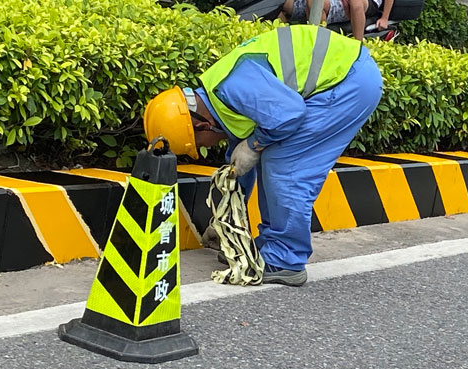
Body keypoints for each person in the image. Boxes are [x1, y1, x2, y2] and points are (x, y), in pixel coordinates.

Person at [143, 25, 382, 286]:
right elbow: (237, 167)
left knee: (285, 163)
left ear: (201, 125)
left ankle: (285, 259)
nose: (205, 148)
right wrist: (224, 224)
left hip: (348, 83)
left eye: (199, 145)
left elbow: (289, 115)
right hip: (347, 75)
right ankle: (271, 244)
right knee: (270, 153)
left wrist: (255, 144)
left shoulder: (235, 88)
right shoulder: (219, 97)